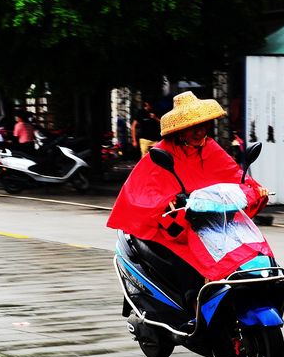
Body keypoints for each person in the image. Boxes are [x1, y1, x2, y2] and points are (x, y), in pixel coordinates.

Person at [106, 92, 269, 281]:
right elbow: (144, 191)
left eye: (203, 126)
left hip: (212, 221)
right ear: (181, 129)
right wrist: (166, 202)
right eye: (193, 127)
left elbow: (233, 174)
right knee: (189, 269)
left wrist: (255, 189)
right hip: (176, 227)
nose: (199, 132)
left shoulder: (209, 147)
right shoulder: (162, 152)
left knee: (246, 250)